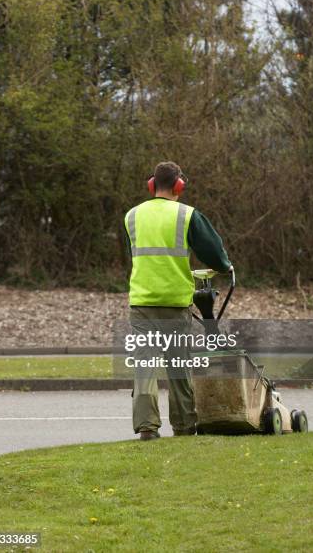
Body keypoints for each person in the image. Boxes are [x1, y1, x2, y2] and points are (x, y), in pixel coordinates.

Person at [124, 161, 232, 440]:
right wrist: (224, 266)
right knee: (178, 369)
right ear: (178, 186)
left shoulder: (132, 216)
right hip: (174, 305)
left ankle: (147, 427)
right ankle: (184, 427)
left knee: (145, 368)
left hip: (141, 305)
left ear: (152, 185)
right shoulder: (186, 215)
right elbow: (214, 253)